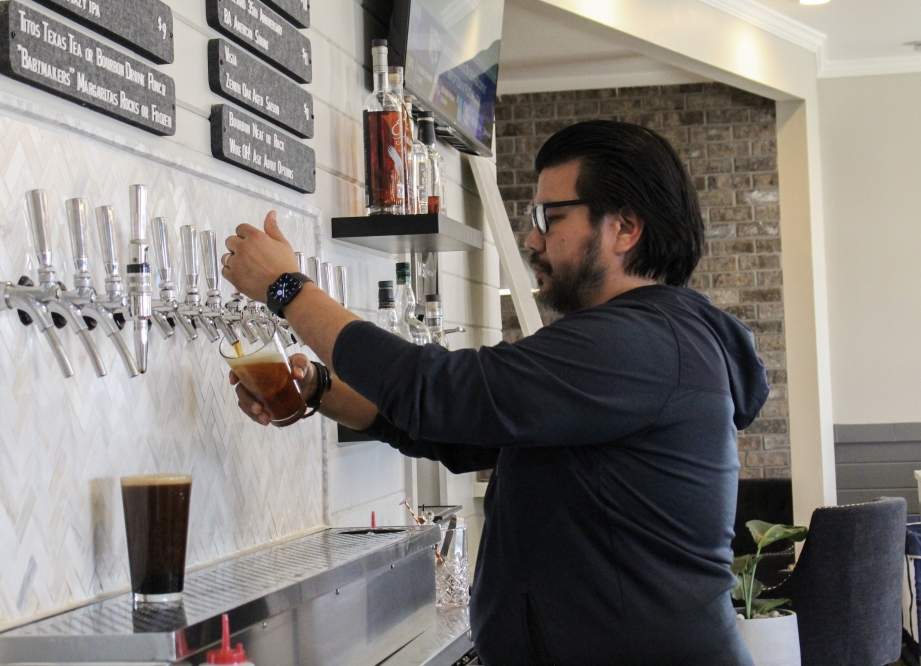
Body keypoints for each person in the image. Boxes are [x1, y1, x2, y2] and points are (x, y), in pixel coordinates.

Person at [221, 120, 768, 666]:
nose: (533, 239)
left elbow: (438, 392)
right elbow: (458, 430)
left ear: (624, 227)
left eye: (549, 218)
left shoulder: (641, 344)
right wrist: (318, 388)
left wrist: (287, 288)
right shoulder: (642, 343)